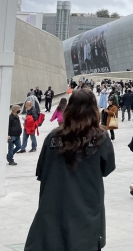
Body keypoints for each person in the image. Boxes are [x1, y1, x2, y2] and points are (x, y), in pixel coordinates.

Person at [24, 88, 116, 251]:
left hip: (54, 212)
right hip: (87, 213)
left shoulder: (53, 137)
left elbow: (41, 171)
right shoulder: (100, 137)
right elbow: (107, 168)